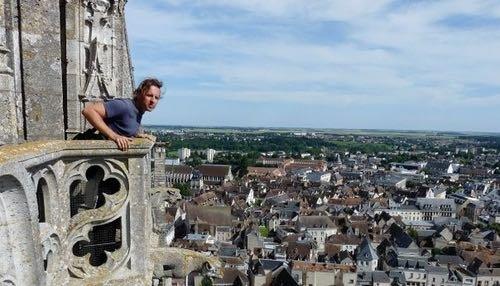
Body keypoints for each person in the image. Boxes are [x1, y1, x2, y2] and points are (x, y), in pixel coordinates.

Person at [81, 78, 162, 151]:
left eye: (156, 98)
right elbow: (88, 110)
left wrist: (136, 135)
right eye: (149, 95)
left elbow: (119, 126)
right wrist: (114, 136)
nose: (153, 101)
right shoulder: (124, 105)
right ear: (138, 94)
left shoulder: (139, 112)